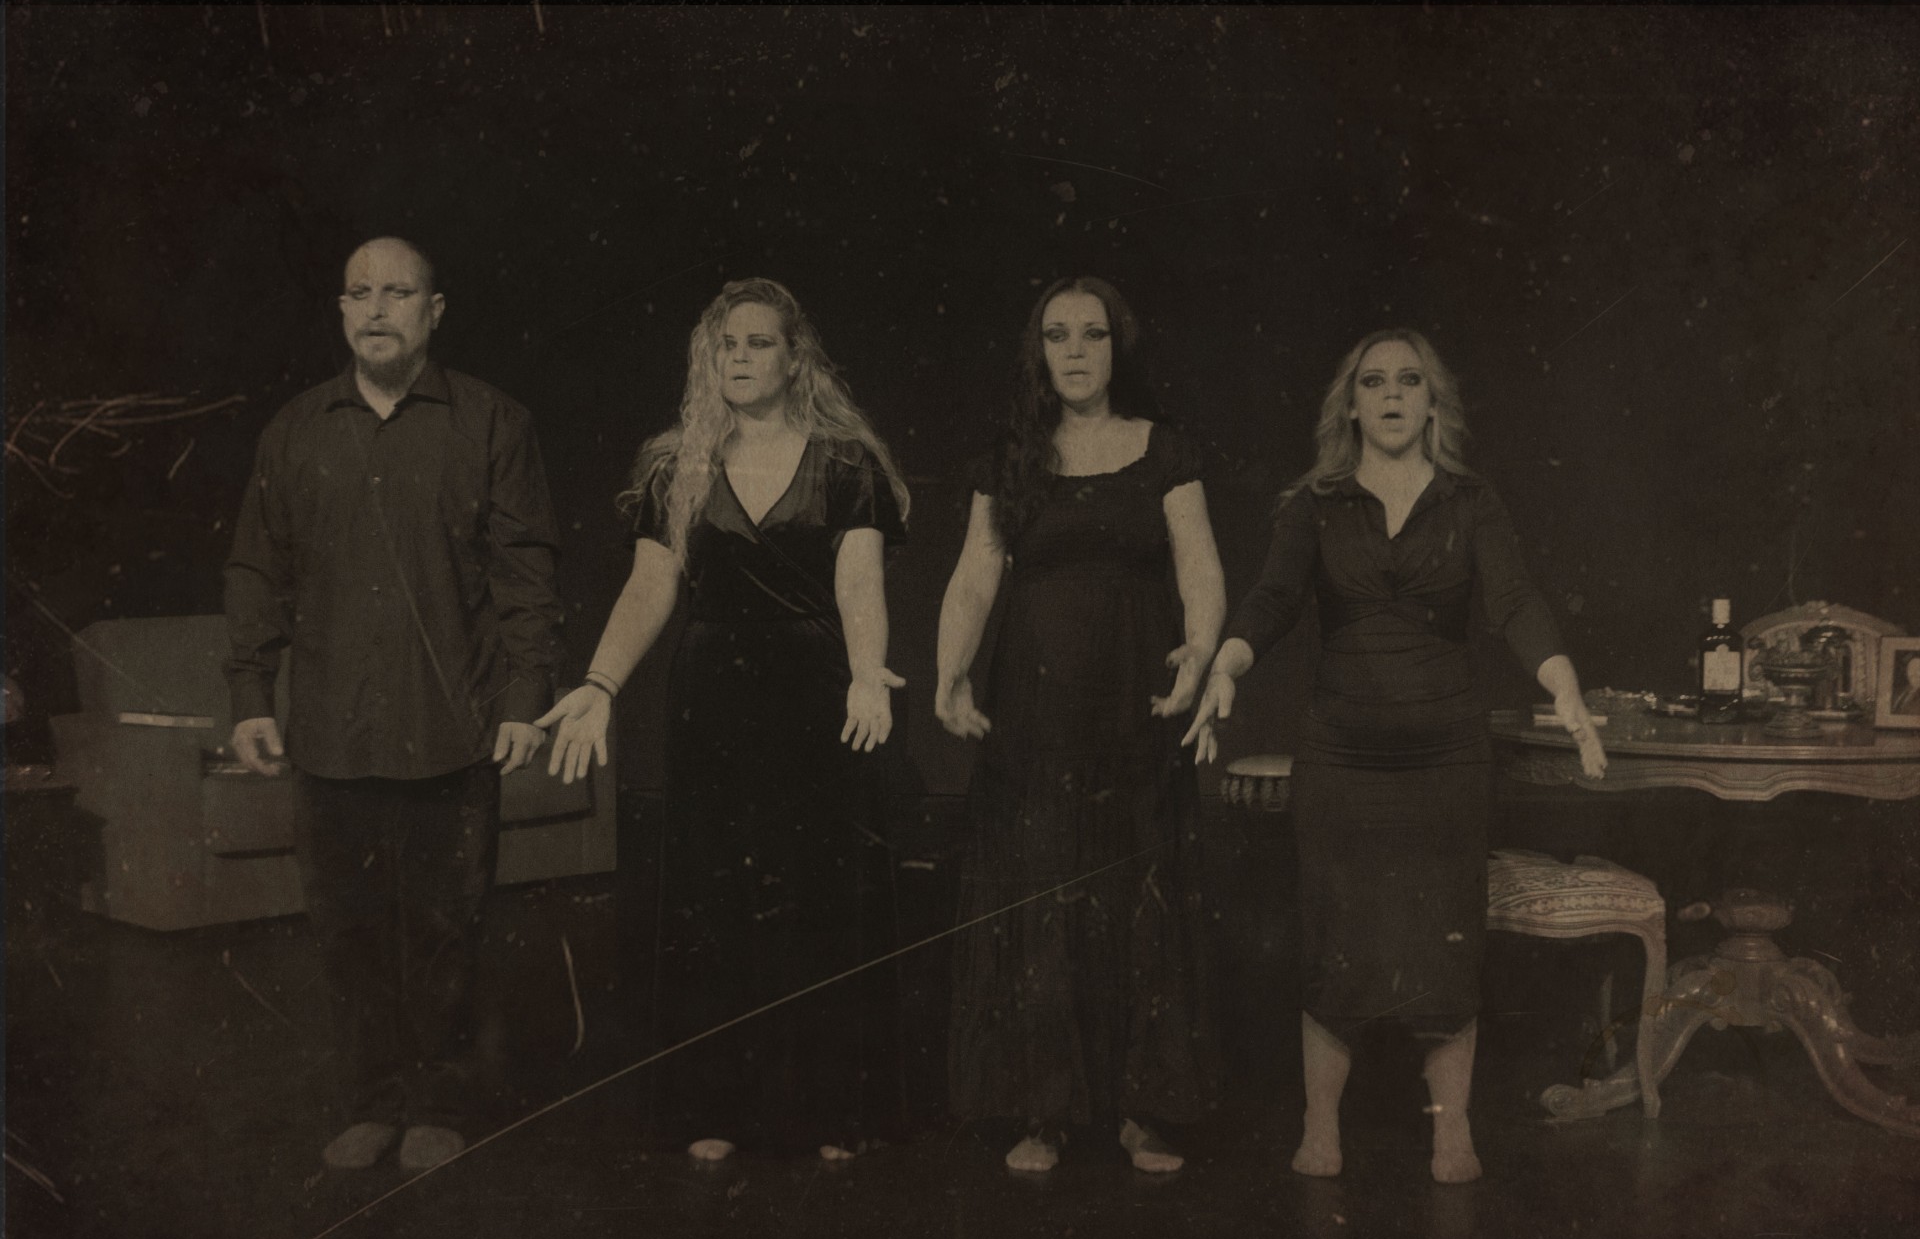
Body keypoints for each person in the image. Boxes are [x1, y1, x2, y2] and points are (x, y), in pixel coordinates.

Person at [1184, 328, 1608, 1184]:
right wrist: (1226, 666)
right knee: (1333, 945)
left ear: (1432, 402)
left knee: (1445, 952)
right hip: (1340, 762)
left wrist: (1564, 685)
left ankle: (1453, 1133)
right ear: (1350, 405)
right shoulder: (1315, 504)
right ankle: (1321, 1130)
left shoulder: (1470, 501)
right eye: (1373, 382)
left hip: (1447, 763)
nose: (1390, 396)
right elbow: (1272, 598)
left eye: (1408, 382)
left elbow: (1515, 601)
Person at [537, 278, 910, 1164]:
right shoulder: (678, 465)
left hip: (814, 693)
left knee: (817, 892)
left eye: (758, 343)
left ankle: (828, 1110)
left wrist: (868, 674)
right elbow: (649, 586)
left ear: (794, 357)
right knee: (712, 895)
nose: (740, 359)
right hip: (711, 695)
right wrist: (600, 682)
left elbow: (860, 581)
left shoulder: (844, 462)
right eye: (726, 346)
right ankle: (714, 1105)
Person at [224, 236, 565, 1174]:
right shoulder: (294, 430)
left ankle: (439, 1103)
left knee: (447, 929)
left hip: (452, 730)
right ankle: (373, 1102)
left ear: (434, 311)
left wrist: (525, 699)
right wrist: (251, 694)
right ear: (341, 311)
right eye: (360, 293)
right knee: (351, 933)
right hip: (330, 734)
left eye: (399, 292)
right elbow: (256, 570)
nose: (377, 310)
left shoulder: (493, 423)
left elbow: (526, 573)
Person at [935, 276, 1226, 1174]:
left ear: (1115, 348)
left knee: (1139, 888)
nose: (1074, 351)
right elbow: (975, 575)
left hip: (1137, 704)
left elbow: (1199, 565)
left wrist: (1200, 650)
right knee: (1041, 892)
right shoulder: (1011, 460)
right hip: (1037, 711)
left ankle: (1145, 1110)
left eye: (1091, 335)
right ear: (1039, 353)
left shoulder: (1164, 450)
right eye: (1057, 335)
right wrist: (949, 669)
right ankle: (1044, 1111)